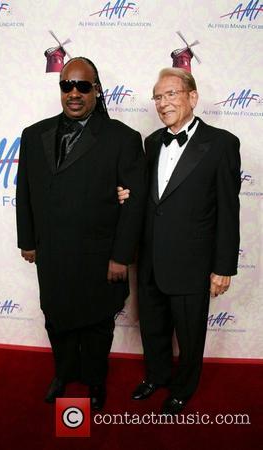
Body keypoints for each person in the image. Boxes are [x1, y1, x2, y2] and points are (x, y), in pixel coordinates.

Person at [16, 57, 146, 410]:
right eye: (66, 86)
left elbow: (133, 205)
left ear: (97, 90)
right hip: (52, 253)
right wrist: (27, 240)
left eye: (83, 86)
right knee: (56, 319)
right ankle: (63, 373)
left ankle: (94, 381)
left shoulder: (123, 138)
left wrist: (121, 256)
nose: (74, 93)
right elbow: (24, 192)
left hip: (99, 257)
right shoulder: (33, 135)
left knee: (96, 325)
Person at [118, 67, 241, 414]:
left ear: (192, 97)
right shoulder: (153, 141)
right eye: (158, 97)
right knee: (153, 328)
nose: (162, 102)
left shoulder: (221, 144)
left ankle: (184, 388)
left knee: (189, 336)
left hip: (192, 263)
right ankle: (156, 376)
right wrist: (126, 194)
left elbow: (229, 211)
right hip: (152, 259)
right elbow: (151, 198)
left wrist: (223, 267)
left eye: (171, 94)